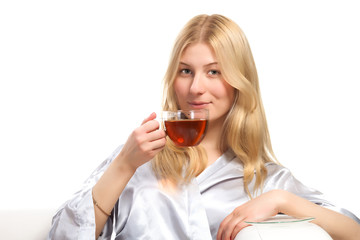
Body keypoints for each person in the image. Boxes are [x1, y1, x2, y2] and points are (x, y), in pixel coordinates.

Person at [48, 14, 360, 240]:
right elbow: (62, 235)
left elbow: (353, 230)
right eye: (186, 71)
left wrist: (282, 200)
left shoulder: (265, 178)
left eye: (213, 72)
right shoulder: (140, 156)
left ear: (238, 82)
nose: (196, 87)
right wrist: (124, 165)